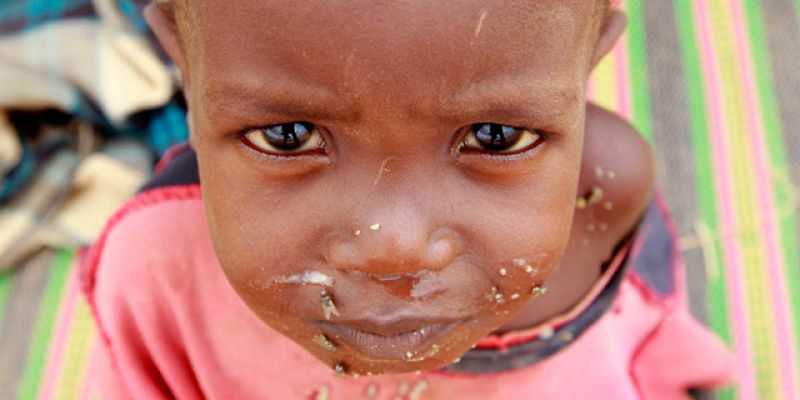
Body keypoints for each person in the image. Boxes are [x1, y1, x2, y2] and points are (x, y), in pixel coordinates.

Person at [81, 0, 734, 398]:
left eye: (494, 136)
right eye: (288, 136)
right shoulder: (155, 267)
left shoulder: (599, 200)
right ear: (185, 63)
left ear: (588, 59)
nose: (393, 250)